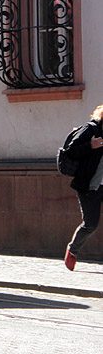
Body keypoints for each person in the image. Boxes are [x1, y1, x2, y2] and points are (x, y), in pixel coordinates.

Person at [64, 103, 103, 271]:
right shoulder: (90, 129)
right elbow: (70, 150)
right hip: (90, 186)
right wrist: (90, 146)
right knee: (90, 224)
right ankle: (73, 250)